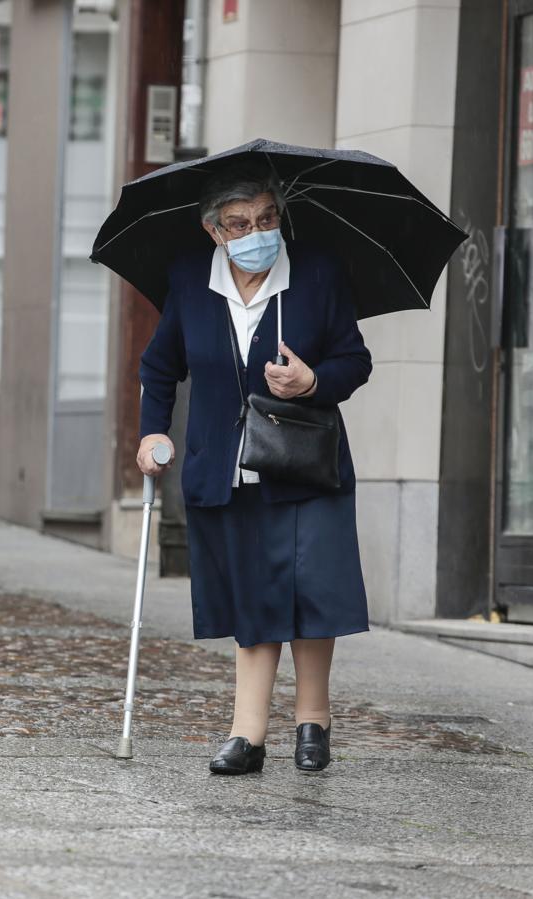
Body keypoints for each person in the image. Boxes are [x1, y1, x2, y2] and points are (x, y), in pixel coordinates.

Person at [136, 164, 372, 774]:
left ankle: (312, 723)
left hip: (305, 464)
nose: (256, 233)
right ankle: (247, 735)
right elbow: (161, 367)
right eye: (240, 224)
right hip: (225, 467)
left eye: (267, 219)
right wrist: (153, 430)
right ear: (214, 231)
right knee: (253, 600)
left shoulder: (316, 273)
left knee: (312, 591)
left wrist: (312, 380)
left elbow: (355, 358)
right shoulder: (190, 281)